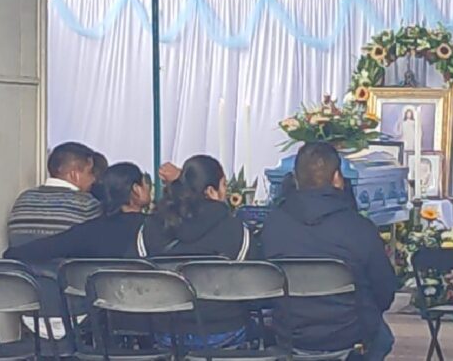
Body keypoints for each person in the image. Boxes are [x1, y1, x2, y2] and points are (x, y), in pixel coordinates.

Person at [260, 142, 397, 360]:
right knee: (383, 338)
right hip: (350, 337)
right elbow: (385, 292)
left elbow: (262, 289)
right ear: (336, 178)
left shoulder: (272, 225)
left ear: (295, 179)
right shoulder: (360, 227)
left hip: (290, 337)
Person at [137, 155, 253, 350]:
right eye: (224, 185)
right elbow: (255, 283)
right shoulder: (236, 229)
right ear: (211, 191)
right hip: (223, 330)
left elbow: (135, 270)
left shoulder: (151, 226)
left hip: (167, 332)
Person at [4, 162, 150, 261]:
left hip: (99, 298)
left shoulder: (90, 231)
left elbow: (37, 250)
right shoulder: (156, 229)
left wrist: (10, 254)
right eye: (146, 183)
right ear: (136, 190)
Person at [7, 142, 102, 247]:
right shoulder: (86, 205)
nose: (93, 179)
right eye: (90, 172)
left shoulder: (23, 200)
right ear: (75, 175)